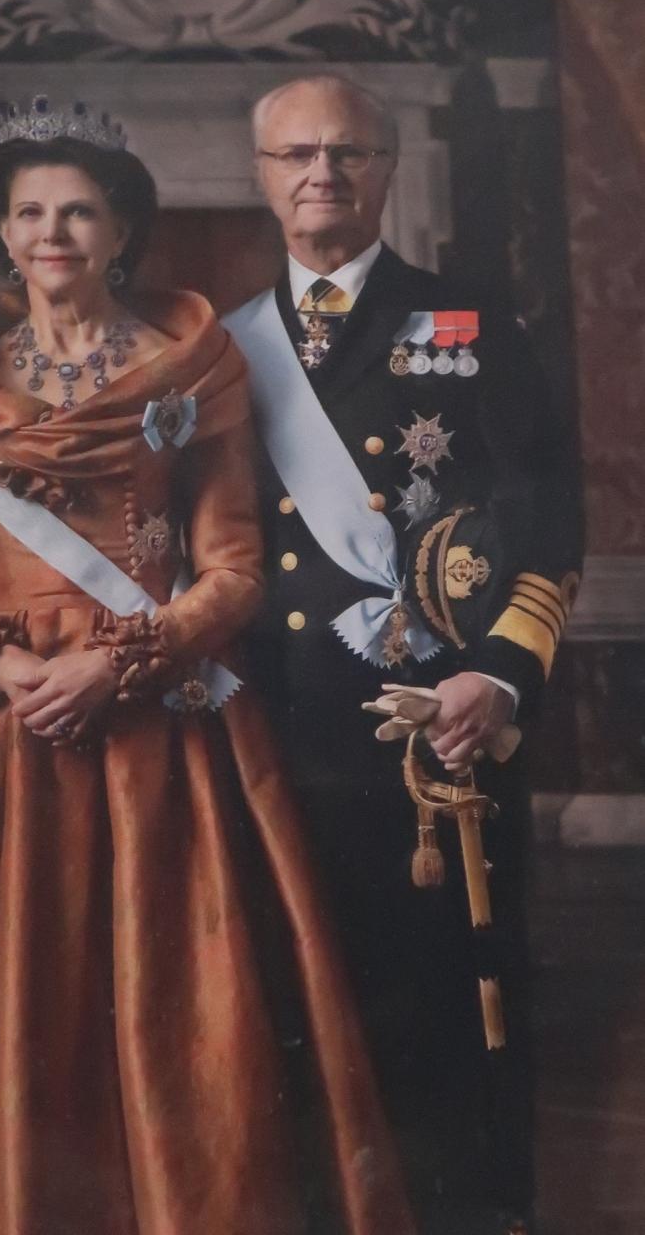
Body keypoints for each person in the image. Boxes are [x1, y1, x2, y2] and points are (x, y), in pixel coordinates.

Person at [0, 97, 416, 1235]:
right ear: (2, 230)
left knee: (169, 992)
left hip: (157, 723)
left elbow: (234, 571)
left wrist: (122, 662)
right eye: (30, 212)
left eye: (79, 211)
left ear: (123, 229)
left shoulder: (194, 368)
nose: (53, 234)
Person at [224, 75, 584, 1235]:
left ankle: (470, 1210)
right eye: (296, 154)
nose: (321, 172)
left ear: (386, 169)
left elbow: (547, 521)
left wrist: (499, 674)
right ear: (261, 176)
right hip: (277, 724)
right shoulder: (221, 347)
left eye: (348, 151)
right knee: (292, 986)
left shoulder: (468, 324)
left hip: (438, 719)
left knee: (451, 994)